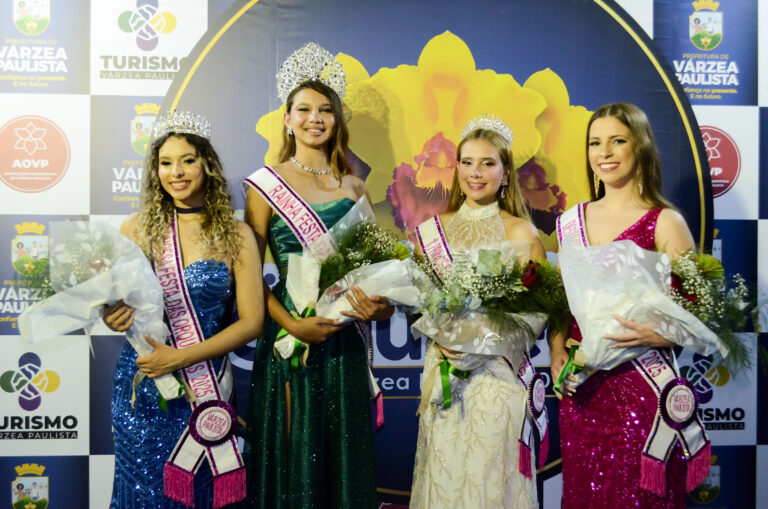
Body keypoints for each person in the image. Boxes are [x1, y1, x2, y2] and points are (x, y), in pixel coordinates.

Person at [241, 42, 393, 508]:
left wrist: (380, 307)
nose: (315, 118)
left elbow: (375, 272)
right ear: (287, 119)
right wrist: (292, 325)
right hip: (292, 337)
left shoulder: (355, 186)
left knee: (341, 463)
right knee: (295, 459)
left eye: (325, 110)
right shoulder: (264, 185)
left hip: (344, 339)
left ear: (337, 120)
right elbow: (247, 275)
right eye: (304, 109)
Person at [103, 111, 264, 508]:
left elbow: (252, 322)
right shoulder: (135, 228)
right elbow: (117, 306)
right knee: (142, 493)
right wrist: (111, 315)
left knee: (201, 492)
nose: (175, 172)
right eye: (165, 162)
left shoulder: (237, 234)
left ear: (206, 165)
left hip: (205, 385)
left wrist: (181, 357)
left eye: (187, 160)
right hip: (144, 384)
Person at [551, 103, 703, 508]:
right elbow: (560, 302)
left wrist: (663, 333)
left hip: (641, 387)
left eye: (617, 141)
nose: (604, 152)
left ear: (641, 147)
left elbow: (700, 309)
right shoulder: (569, 222)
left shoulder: (665, 222)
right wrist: (555, 349)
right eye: (595, 143)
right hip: (582, 390)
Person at [409, 115, 545, 509]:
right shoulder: (431, 230)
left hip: (496, 379)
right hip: (444, 373)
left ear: (506, 173)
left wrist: (480, 342)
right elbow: (417, 302)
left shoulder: (521, 232)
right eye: (467, 162)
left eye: (487, 163)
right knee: (444, 478)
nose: (475, 172)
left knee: (490, 483)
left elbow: (536, 315)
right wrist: (442, 336)